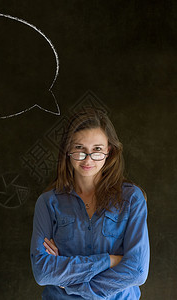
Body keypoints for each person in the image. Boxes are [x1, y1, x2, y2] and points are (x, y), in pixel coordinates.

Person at [30, 107, 150, 299]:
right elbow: (43, 273)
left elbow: (137, 271)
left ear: (109, 151)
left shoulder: (132, 199)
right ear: (68, 150)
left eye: (97, 150)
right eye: (79, 148)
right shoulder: (47, 202)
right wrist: (109, 260)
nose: (88, 159)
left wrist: (70, 284)